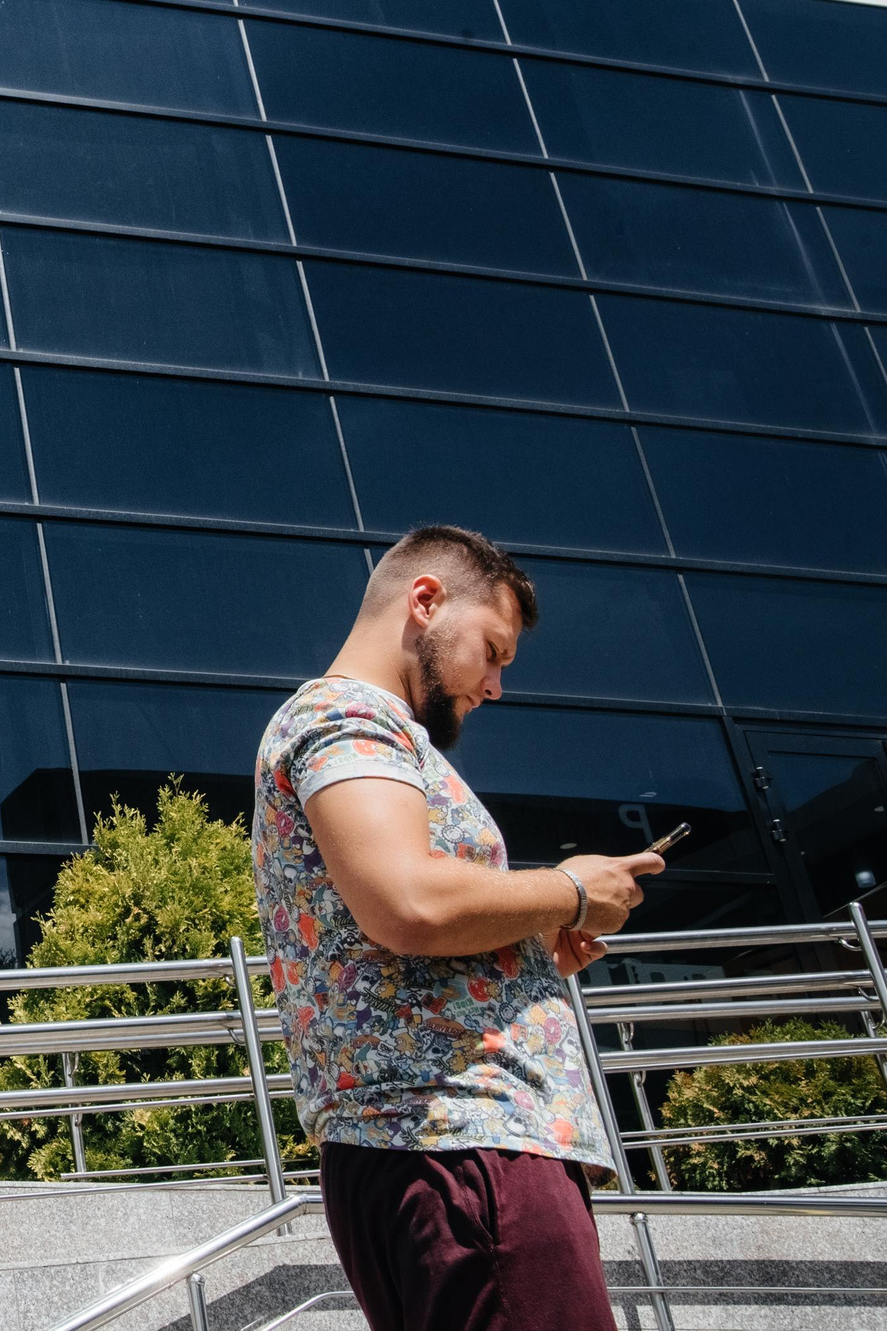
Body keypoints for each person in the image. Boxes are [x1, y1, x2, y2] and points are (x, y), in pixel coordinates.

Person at [252, 524, 663, 1331]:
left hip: (442, 1152)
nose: (498, 684)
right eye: (494, 649)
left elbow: (392, 924)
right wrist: (571, 887)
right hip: (461, 1148)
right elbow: (409, 901)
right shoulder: (350, 718)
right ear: (427, 600)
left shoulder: (357, 726)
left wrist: (527, 948)